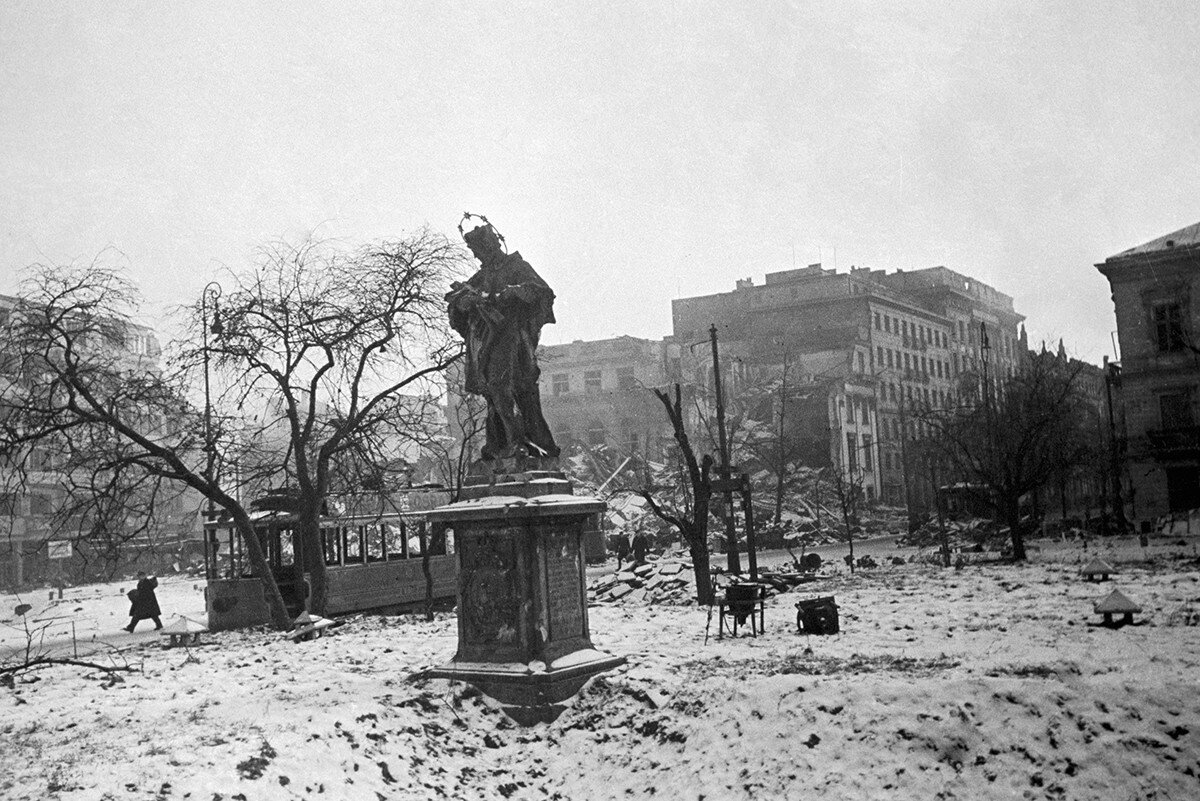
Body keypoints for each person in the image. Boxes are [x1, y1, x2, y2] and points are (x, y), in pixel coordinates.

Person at [447, 217, 559, 461]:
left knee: (502, 387)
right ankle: (503, 444)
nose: (478, 257)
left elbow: (542, 292)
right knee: (494, 392)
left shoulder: (516, 266)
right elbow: (456, 302)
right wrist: (463, 304)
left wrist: (514, 293)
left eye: (480, 250)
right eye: (475, 253)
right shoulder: (481, 276)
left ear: (493, 245)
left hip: (513, 339)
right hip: (488, 340)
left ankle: (517, 442)